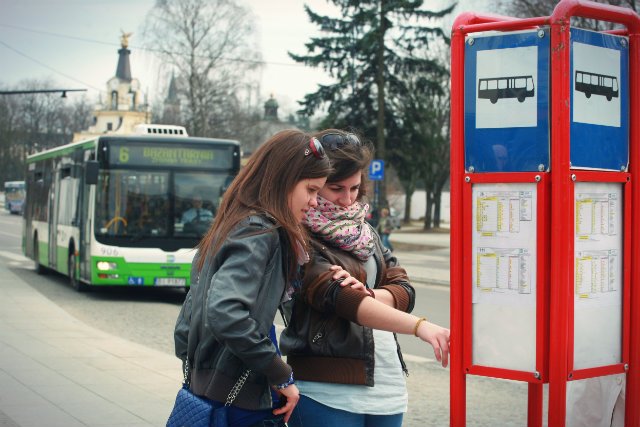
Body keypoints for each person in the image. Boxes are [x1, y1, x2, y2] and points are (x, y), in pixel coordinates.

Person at [174, 130, 346, 427]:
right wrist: (280, 374)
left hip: (207, 394)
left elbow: (184, 330)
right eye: (311, 190)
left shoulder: (232, 223)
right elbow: (226, 313)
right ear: (284, 180)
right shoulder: (260, 232)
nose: (315, 202)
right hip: (242, 406)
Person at [280, 129, 450, 427]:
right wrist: (420, 327)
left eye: (354, 188)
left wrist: (370, 296)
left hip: (386, 385)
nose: (347, 200)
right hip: (325, 390)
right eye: (336, 189)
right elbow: (341, 299)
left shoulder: (365, 231)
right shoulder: (297, 236)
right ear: (314, 182)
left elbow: (404, 290)